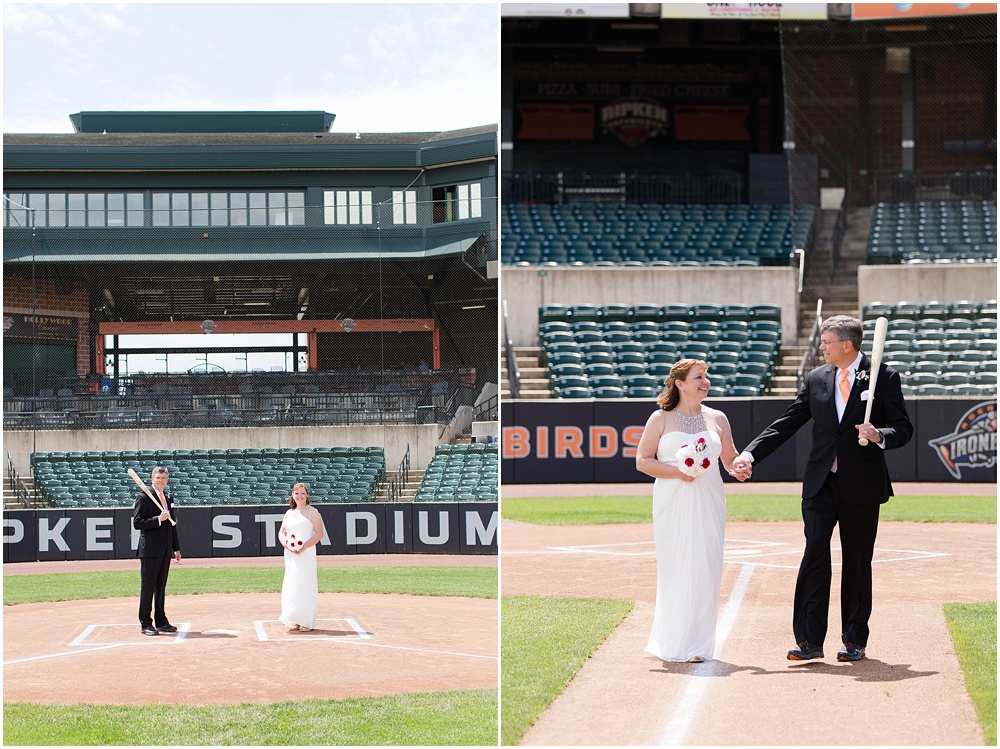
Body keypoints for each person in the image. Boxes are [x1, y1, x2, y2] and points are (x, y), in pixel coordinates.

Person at [732, 315, 912, 662]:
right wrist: (751, 453)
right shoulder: (816, 378)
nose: (821, 347)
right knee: (815, 553)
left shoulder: (883, 376)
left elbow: (903, 427)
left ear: (847, 345)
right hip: (820, 483)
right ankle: (809, 641)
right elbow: (788, 421)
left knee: (857, 561)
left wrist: (879, 435)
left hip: (862, 485)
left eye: (826, 341)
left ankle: (854, 639)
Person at [636, 359, 744, 663]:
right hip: (673, 498)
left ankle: (698, 644)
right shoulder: (660, 418)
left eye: (707, 376)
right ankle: (673, 640)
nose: (705, 381)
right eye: (699, 377)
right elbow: (643, 461)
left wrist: (740, 467)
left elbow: (729, 458)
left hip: (709, 498)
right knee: (676, 565)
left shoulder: (718, 418)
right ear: (680, 383)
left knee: (706, 566)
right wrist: (677, 470)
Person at [133, 466, 181, 636]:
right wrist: (157, 519)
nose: (161, 480)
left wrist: (176, 547)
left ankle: (161, 620)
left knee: (160, 587)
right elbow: (138, 523)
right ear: (152, 479)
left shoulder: (168, 497)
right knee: (148, 587)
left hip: (165, 549)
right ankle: (146, 622)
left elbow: (172, 524)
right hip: (150, 550)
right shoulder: (143, 497)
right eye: (157, 478)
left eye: (163, 478)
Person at [277, 483, 324, 632]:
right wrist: (287, 545)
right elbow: (281, 533)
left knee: (305, 583)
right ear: (292, 495)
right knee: (292, 583)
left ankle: (306, 621)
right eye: (296, 493)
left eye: (302, 493)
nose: (299, 496)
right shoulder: (289, 513)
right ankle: (295, 619)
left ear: (307, 495)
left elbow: (319, 534)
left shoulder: (312, 512)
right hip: (290, 554)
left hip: (306, 552)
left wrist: (302, 547)